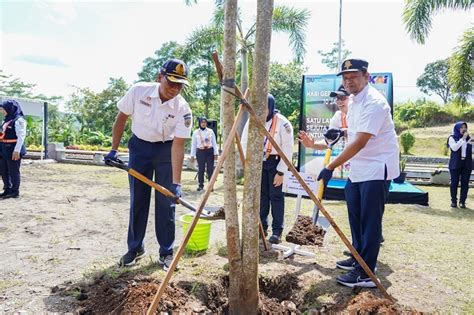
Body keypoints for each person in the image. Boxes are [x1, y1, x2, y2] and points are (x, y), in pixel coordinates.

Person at [317, 58, 399, 288]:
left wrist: (330, 166)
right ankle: (357, 257)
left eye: (353, 76)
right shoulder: (353, 101)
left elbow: (361, 141)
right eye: (345, 77)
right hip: (359, 168)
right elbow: (355, 132)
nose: (349, 81)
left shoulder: (375, 102)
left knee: (369, 221)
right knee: (355, 217)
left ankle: (366, 272)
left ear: (366, 76)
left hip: (376, 167)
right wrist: (341, 132)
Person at [104, 58, 192, 271]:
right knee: (138, 199)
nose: (174, 89)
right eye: (171, 82)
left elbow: (178, 145)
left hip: (165, 150)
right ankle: (135, 248)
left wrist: (176, 182)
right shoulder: (138, 92)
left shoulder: (182, 108)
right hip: (140, 149)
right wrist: (114, 149)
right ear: (159, 77)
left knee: (166, 201)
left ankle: (166, 252)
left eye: (180, 85)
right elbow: (121, 118)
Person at [241, 94, 294, 244]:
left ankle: (277, 231)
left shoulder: (283, 123)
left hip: (276, 162)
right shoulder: (252, 120)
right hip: (259, 163)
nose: (261, 111)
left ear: (271, 107)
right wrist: (248, 164)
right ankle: (262, 228)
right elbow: (245, 142)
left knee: (276, 197)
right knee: (262, 196)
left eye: (265, 108)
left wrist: (281, 172)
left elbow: (288, 149)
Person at [298, 84, 350, 150]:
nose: (339, 101)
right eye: (337, 98)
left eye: (342, 98)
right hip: (350, 159)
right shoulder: (338, 116)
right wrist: (313, 145)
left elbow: (362, 138)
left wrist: (344, 132)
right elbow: (328, 142)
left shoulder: (363, 114)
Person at [0, 100, 27, 199]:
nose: (2, 111)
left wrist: (17, 150)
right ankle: (7, 188)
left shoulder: (19, 120)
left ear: (10, 109)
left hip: (13, 148)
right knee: (3, 170)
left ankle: (14, 191)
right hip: (3, 149)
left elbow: (21, 136)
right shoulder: (6, 120)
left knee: (13, 170)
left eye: (3, 109)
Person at [447, 121, 472, 209]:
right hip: (455, 163)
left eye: (465, 127)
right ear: (457, 128)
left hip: (467, 163)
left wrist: (468, 139)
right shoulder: (452, 138)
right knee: (454, 183)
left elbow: (472, 150)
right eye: (461, 127)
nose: (463, 129)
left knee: (465, 183)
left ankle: (462, 202)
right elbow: (454, 148)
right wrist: (463, 139)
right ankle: (453, 201)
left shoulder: (469, 138)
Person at [190, 116, 218, 191]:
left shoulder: (211, 131)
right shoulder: (195, 132)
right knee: (201, 169)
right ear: (199, 123)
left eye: (205, 122)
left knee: (210, 169)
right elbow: (193, 144)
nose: (203, 124)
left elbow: (214, 143)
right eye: (202, 122)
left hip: (209, 151)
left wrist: (216, 153)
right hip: (200, 152)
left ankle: (210, 186)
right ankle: (200, 185)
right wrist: (192, 155)